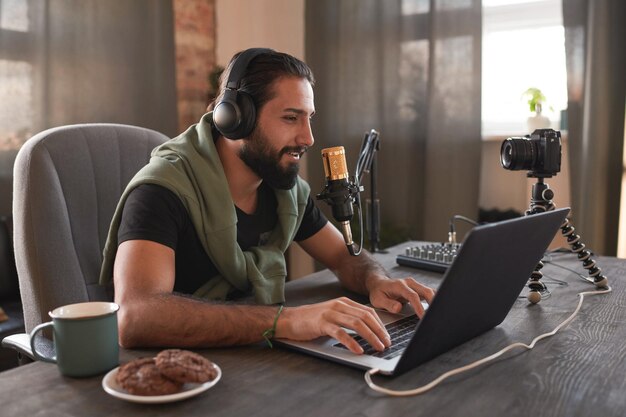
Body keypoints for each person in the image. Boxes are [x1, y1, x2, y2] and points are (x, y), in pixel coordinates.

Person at [99, 48, 435, 355]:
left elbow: (345, 258)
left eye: (309, 117)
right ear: (235, 117)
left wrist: (376, 281)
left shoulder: (284, 190)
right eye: (291, 118)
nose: (308, 138)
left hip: (250, 361)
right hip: (172, 375)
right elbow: (135, 316)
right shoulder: (163, 190)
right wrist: (288, 321)